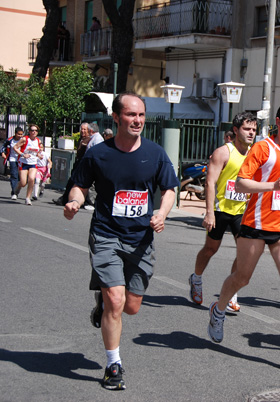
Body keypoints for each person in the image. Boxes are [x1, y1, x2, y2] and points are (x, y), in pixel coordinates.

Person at [63, 92, 179, 390]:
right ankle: (113, 365)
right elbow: (79, 185)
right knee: (117, 300)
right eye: (130, 115)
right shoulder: (99, 154)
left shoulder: (154, 154)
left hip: (140, 239)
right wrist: (75, 202)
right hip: (106, 234)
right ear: (116, 117)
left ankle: (103, 302)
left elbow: (169, 189)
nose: (137, 121)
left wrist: (162, 213)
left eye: (141, 115)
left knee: (131, 306)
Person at [207, 101, 280, 364]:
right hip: (255, 225)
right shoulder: (264, 148)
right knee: (242, 278)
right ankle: (219, 309)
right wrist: (272, 186)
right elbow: (241, 183)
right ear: (278, 123)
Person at [189, 112, 257, 312]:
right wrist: (209, 212)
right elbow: (210, 182)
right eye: (247, 129)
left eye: (254, 129)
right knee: (211, 249)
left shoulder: (255, 153)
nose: (251, 133)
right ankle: (197, 278)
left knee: (244, 254)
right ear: (236, 130)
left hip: (242, 211)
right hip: (220, 209)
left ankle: (231, 294)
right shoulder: (223, 152)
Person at [53, 122, 90, 206]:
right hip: (77, 163)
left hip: (82, 164)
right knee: (72, 181)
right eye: (82, 129)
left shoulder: (89, 140)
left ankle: (66, 199)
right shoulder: (81, 139)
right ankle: (65, 199)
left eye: (85, 129)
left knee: (75, 182)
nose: (82, 131)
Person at [14, 124, 42, 205]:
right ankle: (18, 188)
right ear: (29, 131)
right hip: (24, 162)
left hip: (33, 163)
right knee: (23, 182)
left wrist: (38, 155)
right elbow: (15, 147)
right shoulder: (24, 139)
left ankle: (27, 198)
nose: (34, 132)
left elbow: (36, 152)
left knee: (31, 179)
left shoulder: (38, 141)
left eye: (36, 130)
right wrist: (23, 154)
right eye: (32, 130)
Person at [1, 126, 24, 199]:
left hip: (22, 159)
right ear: (15, 133)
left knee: (22, 178)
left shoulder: (24, 140)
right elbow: (3, 147)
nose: (20, 136)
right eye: (18, 134)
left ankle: (17, 189)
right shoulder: (10, 140)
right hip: (12, 159)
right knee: (14, 175)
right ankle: (14, 192)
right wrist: (3, 153)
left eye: (21, 134)